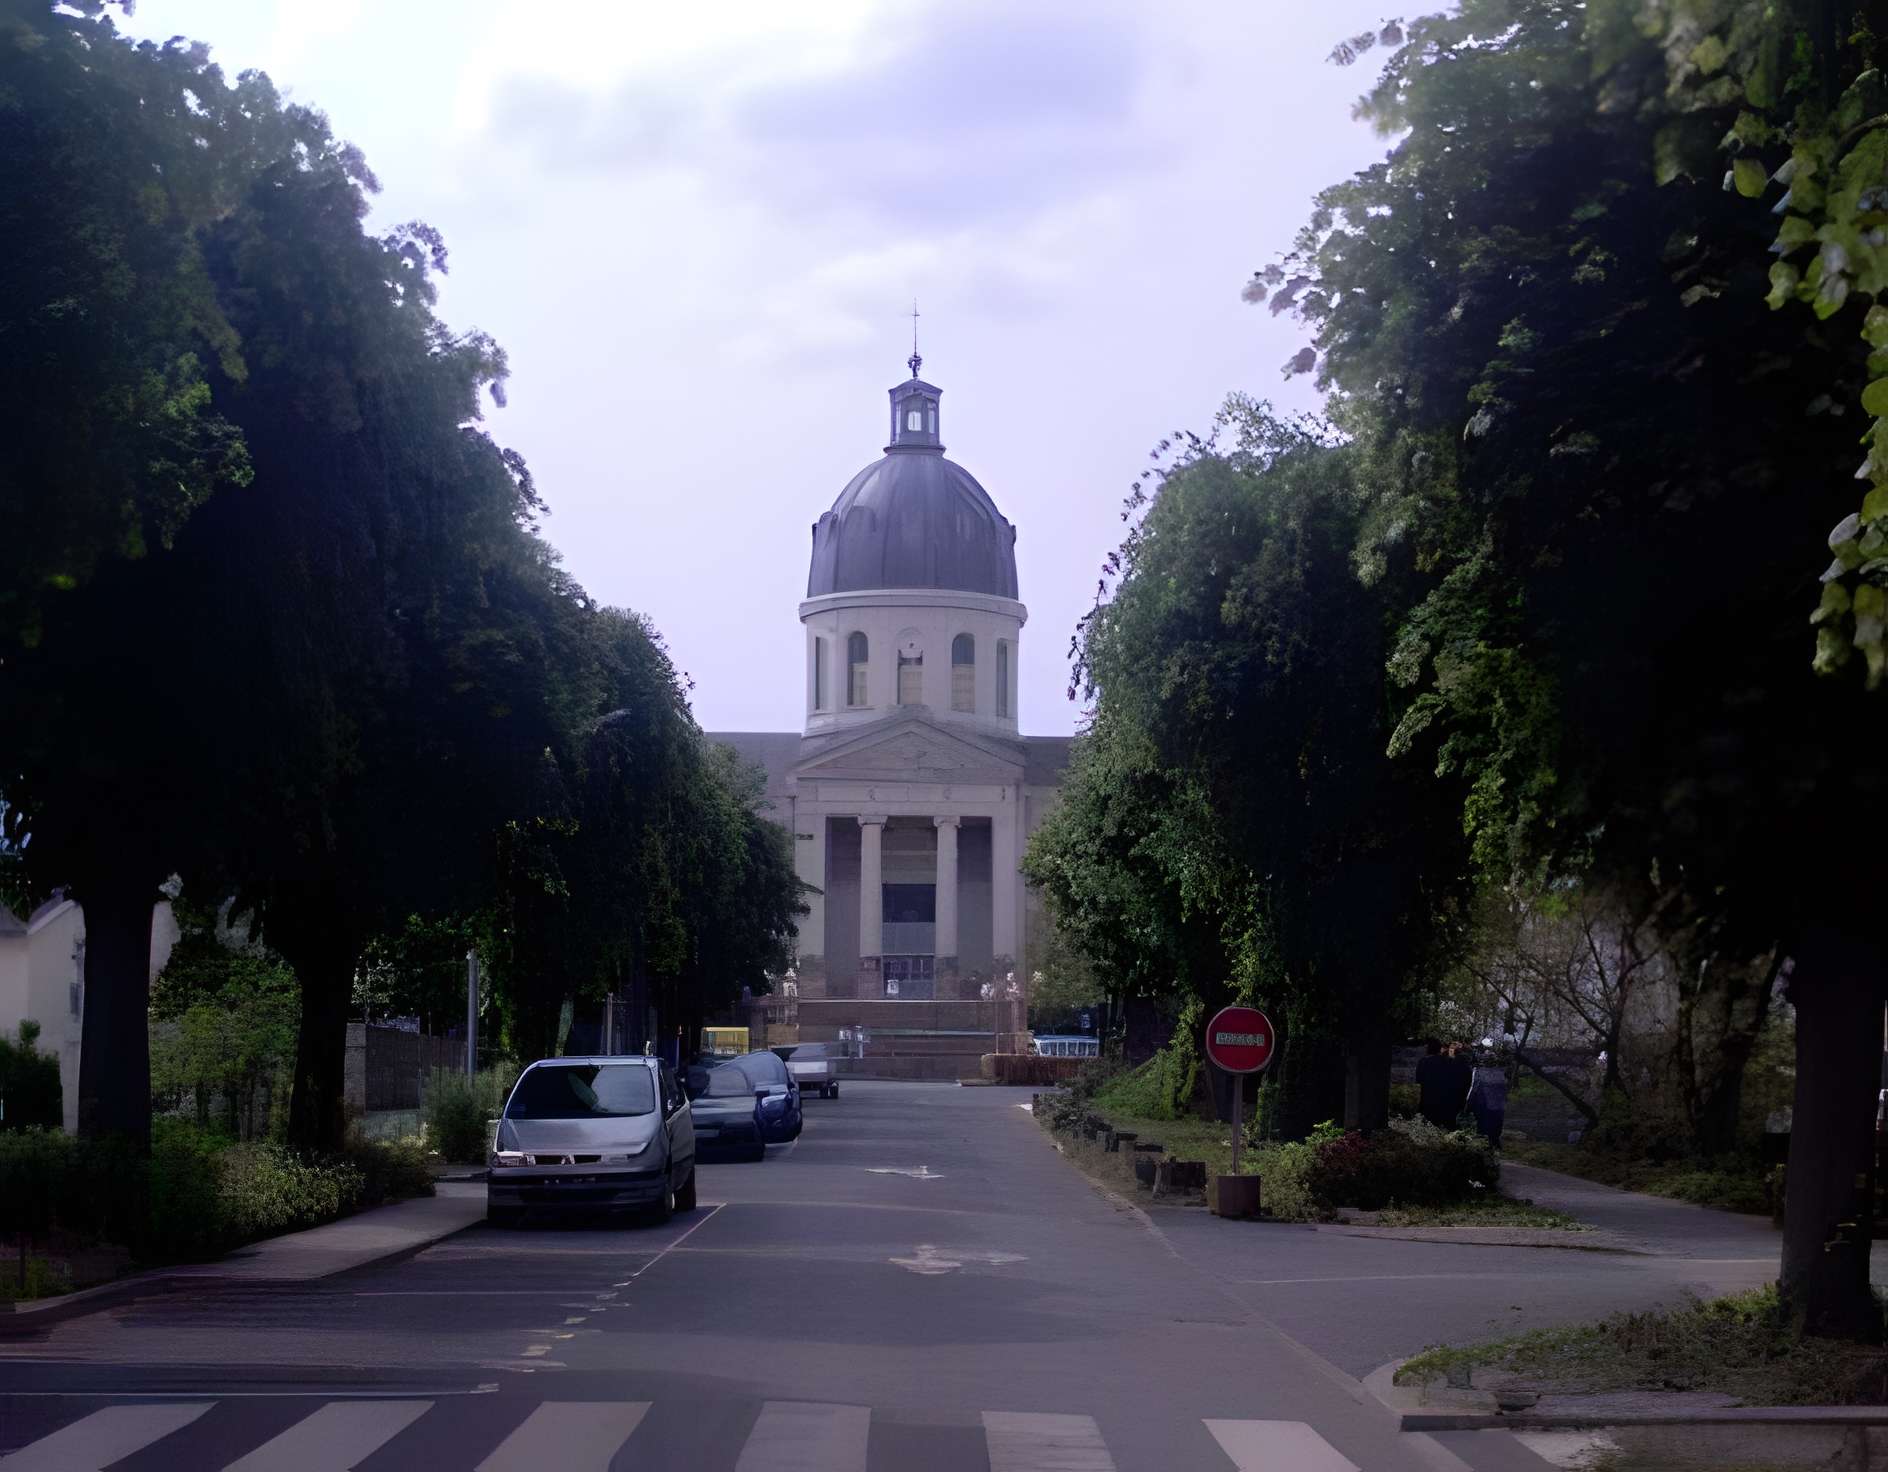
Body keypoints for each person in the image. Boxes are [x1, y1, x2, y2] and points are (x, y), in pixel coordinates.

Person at [1468, 1049, 1511, 1149]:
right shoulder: (1501, 1073)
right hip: (1498, 1105)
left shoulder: (1479, 1072)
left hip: (1484, 1104)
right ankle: (1494, 1142)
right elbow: (1505, 1089)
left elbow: (1474, 1089)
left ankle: (1485, 1145)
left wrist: (1469, 1104)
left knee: (1482, 1126)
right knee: (1496, 1126)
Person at [1414, 1038, 1457, 1129]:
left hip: (1427, 1095)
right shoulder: (1446, 1061)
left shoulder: (1423, 1061)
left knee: (1427, 1122)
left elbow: (1418, 1079)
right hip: (1442, 1096)